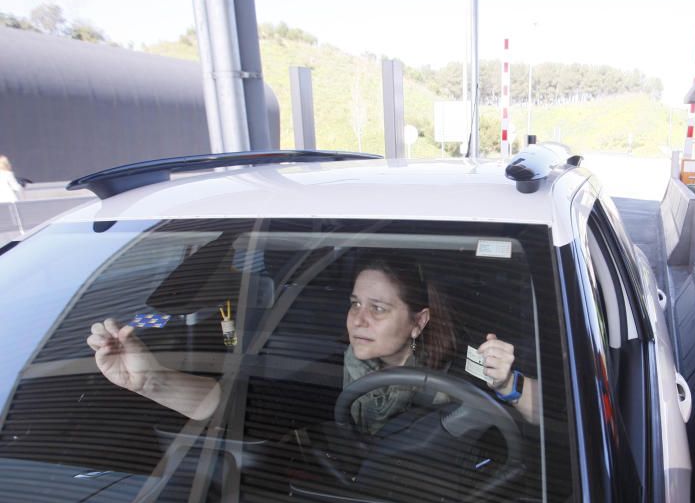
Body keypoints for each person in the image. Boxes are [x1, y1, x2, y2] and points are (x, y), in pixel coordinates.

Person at [87, 254, 538, 429]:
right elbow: (234, 405)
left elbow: (549, 418)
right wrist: (152, 383)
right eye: (354, 303)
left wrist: (510, 386)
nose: (358, 320)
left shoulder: (464, 361)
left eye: (378, 309)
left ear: (418, 321)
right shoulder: (332, 372)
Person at [0, 155, 25, 235]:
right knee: (17, 219)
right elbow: (16, 187)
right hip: (10, 199)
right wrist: (22, 185)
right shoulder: (7, 174)